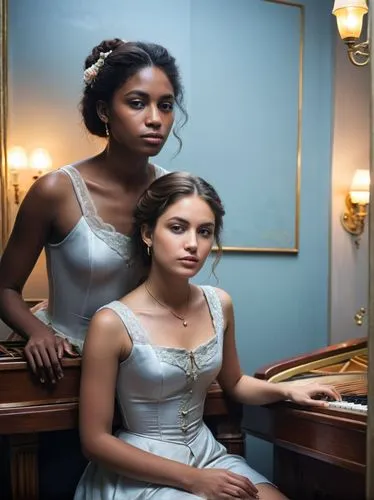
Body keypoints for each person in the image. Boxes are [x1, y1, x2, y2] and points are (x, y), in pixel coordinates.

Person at [75, 172, 340, 500]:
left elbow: (235, 383)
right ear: (147, 233)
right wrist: (194, 480)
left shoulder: (220, 304)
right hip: (142, 468)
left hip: (207, 453)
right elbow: (94, 441)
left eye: (205, 232)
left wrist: (287, 390)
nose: (192, 244)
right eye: (177, 228)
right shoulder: (111, 322)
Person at [0, 38, 187, 385]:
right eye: (137, 103)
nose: (154, 119)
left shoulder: (174, 193)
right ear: (104, 111)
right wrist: (37, 332)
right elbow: (4, 288)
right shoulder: (56, 190)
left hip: (142, 367)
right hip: (64, 366)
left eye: (165, 105)